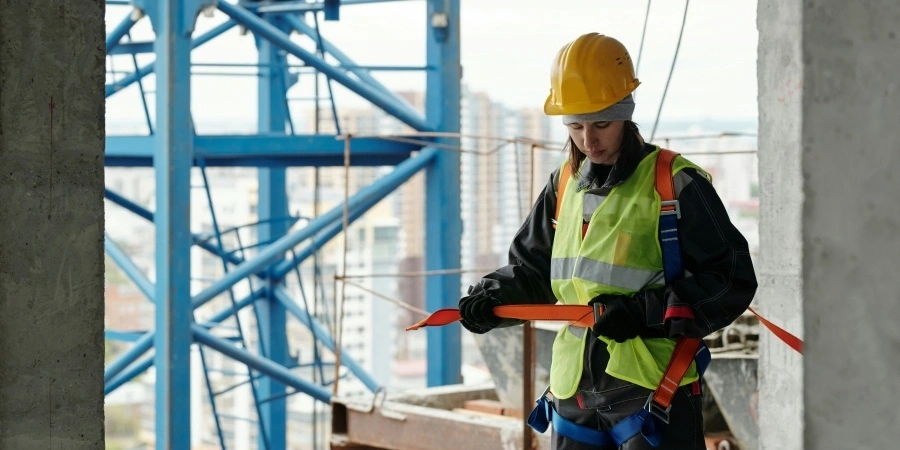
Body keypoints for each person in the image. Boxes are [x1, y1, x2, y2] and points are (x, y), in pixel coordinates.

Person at [457, 33, 757, 449]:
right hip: (574, 393)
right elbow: (532, 270)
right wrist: (492, 298)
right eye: (575, 126)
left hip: (653, 391)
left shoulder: (672, 184)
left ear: (626, 116)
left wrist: (643, 313)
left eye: (601, 124)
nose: (588, 140)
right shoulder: (564, 185)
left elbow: (730, 281)